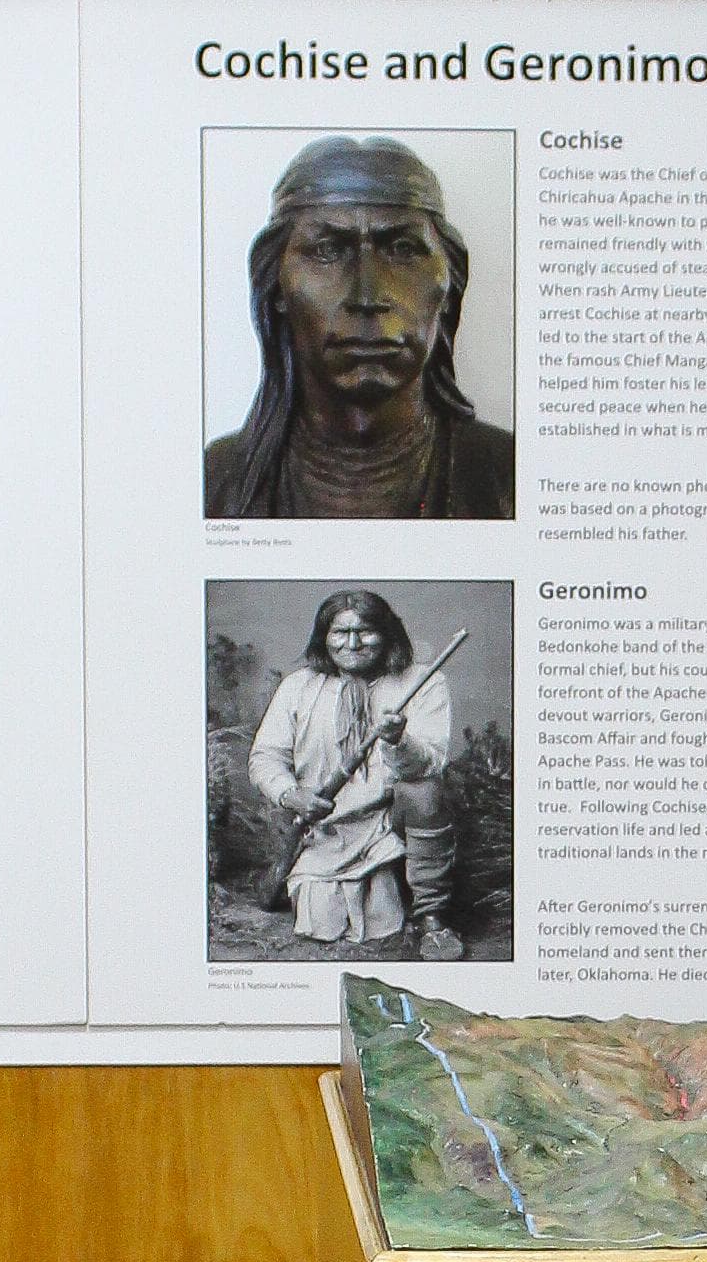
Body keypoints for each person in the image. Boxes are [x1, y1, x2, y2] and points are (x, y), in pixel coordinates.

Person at [204, 138, 517, 522]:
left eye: (402, 249)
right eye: (326, 250)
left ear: (450, 284)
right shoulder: (213, 483)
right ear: (276, 286)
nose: (367, 296)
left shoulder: (512, 480)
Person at [245, 589, 463, 953]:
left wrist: (398, 740)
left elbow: (429, 764)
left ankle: (431, 915)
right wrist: (293, 795)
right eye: (340, 633)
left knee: (423, 789)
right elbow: (264, 757)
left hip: (391, 820)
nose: (353, 643)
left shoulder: (423, 682)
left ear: (387, 634)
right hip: (322, 826)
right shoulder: (299, 686)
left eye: (365, 631)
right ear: (324, 637)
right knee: (323, 922)